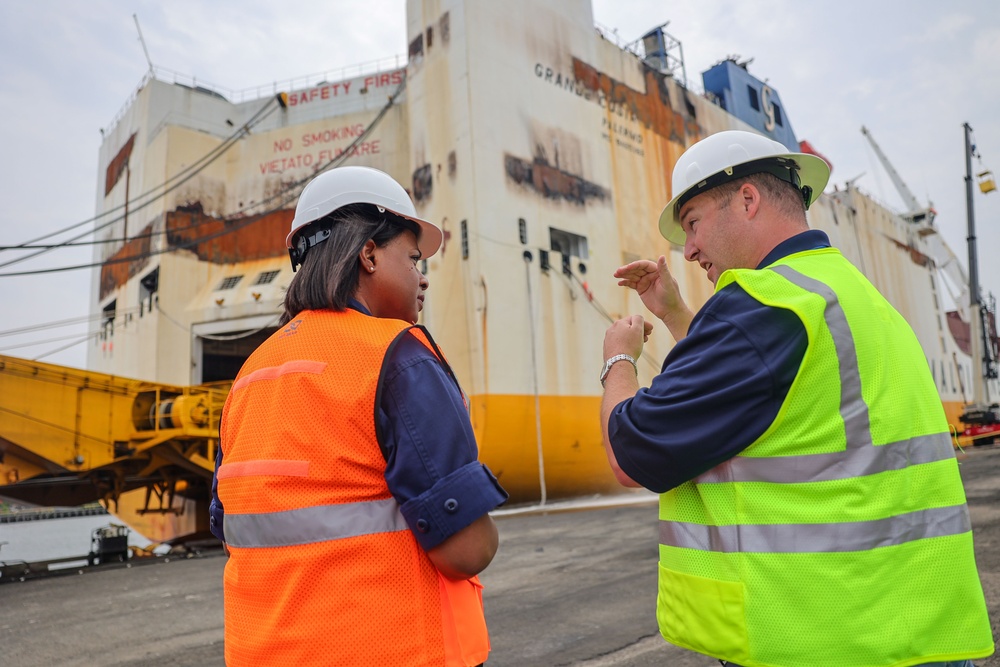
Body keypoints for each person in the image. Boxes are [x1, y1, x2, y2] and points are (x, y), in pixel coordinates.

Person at [599, 130, 994, 667]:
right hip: (910, 624)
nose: (687, 249)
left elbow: (632, 454)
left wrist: (618, 359)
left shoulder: (760, 305)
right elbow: (755, 396)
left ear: (747, 199)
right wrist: (674, 313)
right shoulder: (844, 292)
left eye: (691, 222)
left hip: (824, 637)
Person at [209, 165, 508, 666]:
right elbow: (466, 551)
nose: (423, 278)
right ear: (369, 253)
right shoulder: (399, 356)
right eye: (414, 259)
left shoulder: (250, 376)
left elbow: (234, 528)